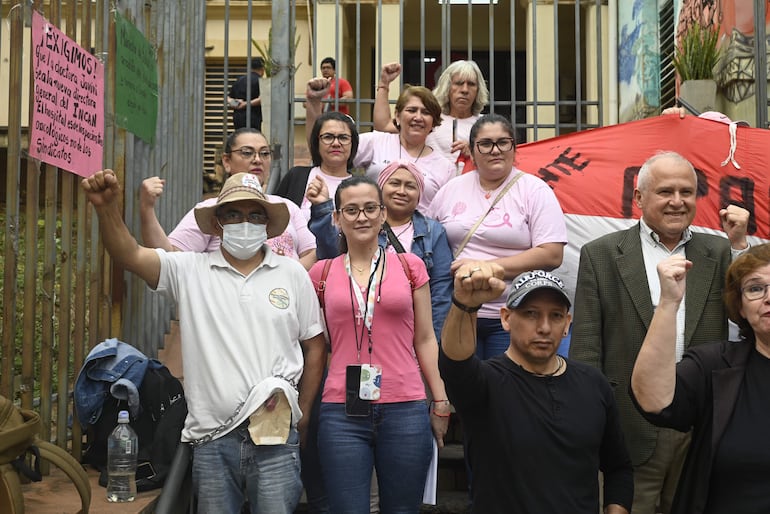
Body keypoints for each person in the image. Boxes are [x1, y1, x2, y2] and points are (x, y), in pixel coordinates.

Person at [81, 170, 326, 513]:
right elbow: (130, 255)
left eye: (255, 215)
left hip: (276, 437)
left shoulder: (293, 273)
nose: (245, 223)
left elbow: (315, 346)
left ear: (267, 224)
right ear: (216, 225)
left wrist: (304, 414)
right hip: (212, 439)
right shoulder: (189, 270)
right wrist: (106, 209)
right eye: (233, 214)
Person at [569, 150, 749, 514]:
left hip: (701, 426)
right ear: (639, 197)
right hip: (629, 426)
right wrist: (592, 421)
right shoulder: (601, 254)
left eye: (687, 192)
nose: (677, 201)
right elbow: (587, 346)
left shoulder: (719, 251)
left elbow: (751, 319)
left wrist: (740, 246)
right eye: (666, 191)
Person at [439, 263, 633, 513]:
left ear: (567, 324)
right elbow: (455, 363)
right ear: (506, 318)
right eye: (531, 313)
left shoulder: (594, 383)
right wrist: (465, 304)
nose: (544, 327)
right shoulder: (483, 383)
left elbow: (619, 468)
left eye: (556, 316)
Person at [308, 175, 450, 513]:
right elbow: (317, 346)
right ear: (336, 218)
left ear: (383, 214)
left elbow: (425, 338)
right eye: (351, 210)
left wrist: (440, 399)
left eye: (370, 208)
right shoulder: (321, 274)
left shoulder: (410, 266)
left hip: (406, 406)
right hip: (341, 410)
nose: (362, 217)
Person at [631, 245, 770, 514]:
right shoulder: (714, 366)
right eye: (755, 288)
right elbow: (653, 401)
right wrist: (669, 303)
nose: (768, 298)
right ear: (740, 307)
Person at [429, 113, 567, 359]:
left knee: (505, 381)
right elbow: (429, 239)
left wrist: (486, 267)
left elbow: (552, 254)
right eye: (485, 144)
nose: (495, 150)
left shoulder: (535, 190)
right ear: (472, 150)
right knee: (458, 379)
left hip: (513, 312)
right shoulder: (450, 190)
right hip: (458, 311)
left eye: (503, 142)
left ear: (514, 148)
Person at [306, 160, 453, 341]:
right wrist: (322, 208)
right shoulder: (361, 227)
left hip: (412, 334)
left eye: (410, 186)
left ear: (419, 194)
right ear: (381, 190)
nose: (401, 191)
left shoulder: (433, 232)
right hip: (359, 332)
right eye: (394, 183)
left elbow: (440, 292)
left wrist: (431, 341)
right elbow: (332, 252)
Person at [140, 128, 317, 270]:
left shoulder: (286, 206)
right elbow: (170, 255)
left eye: (264, 153)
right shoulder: (211, 209)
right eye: (247, 152)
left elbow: (311, 253)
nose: (257, 160)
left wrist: (284, 279)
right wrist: (147, 208)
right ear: (226, 161)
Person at [305, 68, 456, 213]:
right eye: (411, 110)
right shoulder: (376, 141)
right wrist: (314, 103)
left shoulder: (445, 167)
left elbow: (444, 212)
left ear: (434, 121)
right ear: (397, 116)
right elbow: (323, 149)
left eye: (426, 112)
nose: (418, 117)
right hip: (369, 226)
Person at [374, 60, 489, 167]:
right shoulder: (431, 119)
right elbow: (383, 126)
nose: (464, 90)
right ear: (447, 87)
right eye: (458, 83)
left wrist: (475, 151)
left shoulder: (487, 125)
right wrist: (384, 84)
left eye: (471, 84)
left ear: (478, 89)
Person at [274, 110, 358, 221]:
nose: (336, 143)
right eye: (328, 137)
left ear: (353, 143)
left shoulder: (361, 186)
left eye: (343, 137)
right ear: (317, 142)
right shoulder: (296, 176)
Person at [228, 57, 265, 130]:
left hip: (238, 117)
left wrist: (236, 103)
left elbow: (228, 98)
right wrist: (246, 104)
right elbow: (263, 99)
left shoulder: (240, 80)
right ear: (262, 69)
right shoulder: (261, 82)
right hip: (253, 117)